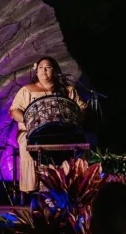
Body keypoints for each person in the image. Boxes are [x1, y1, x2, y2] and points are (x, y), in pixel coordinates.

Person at [9, 56, 87, 194]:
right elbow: (15, 110)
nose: (44, 71)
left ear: (55, 71)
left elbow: (81, 108)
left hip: (60, 132)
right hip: (32, 132)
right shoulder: (27, 90)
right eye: (40, 68)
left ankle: (66, 184)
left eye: (48, 67)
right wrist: (29, 121)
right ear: (36, 72)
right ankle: (33, 188)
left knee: (75, 141)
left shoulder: (67, 91)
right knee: (26, 142)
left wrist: (73, 118)